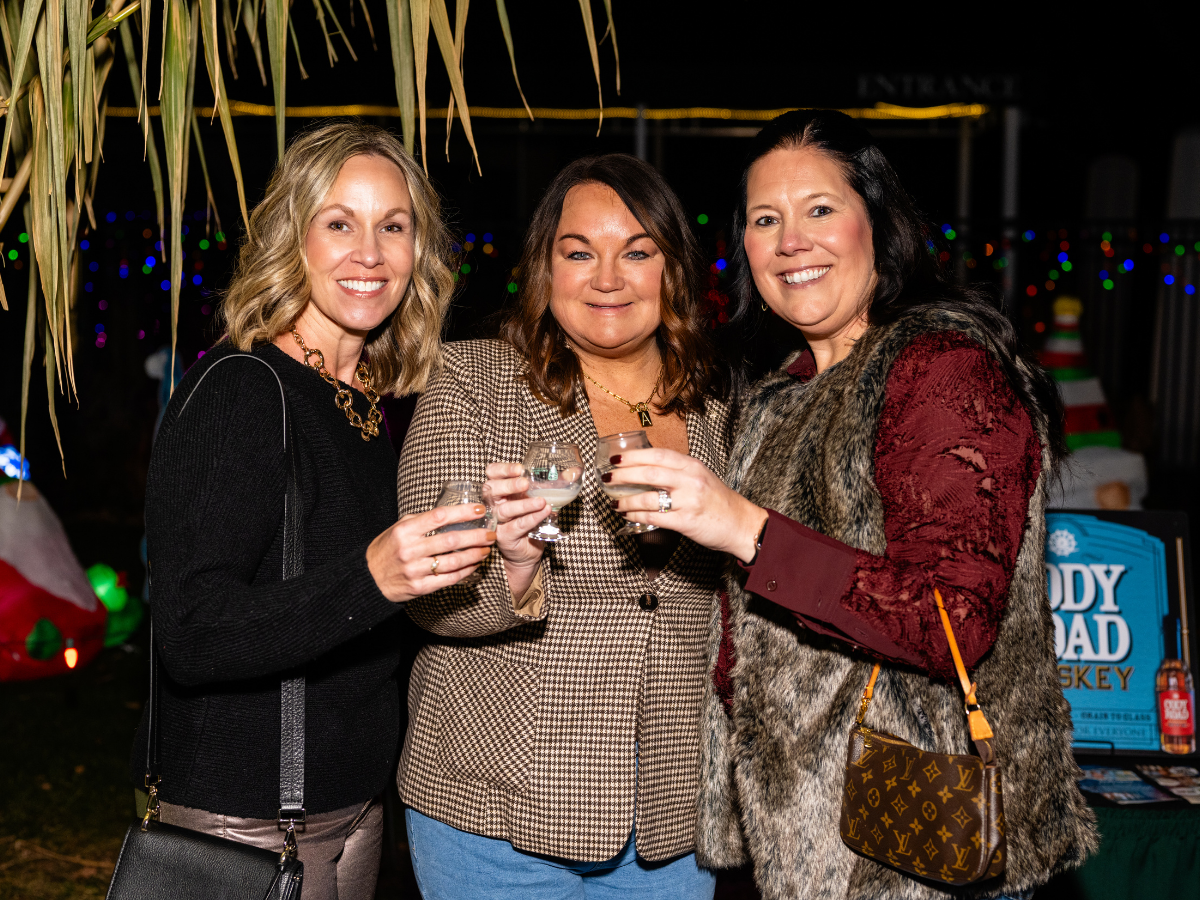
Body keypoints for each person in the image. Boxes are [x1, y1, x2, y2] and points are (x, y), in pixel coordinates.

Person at [602, 110, 1099, 900]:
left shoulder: (941, 369)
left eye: (820, 209)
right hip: (800, 832)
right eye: (766, 220)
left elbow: (952, 618)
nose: (791, 240)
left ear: (880, 225)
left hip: (918, 842)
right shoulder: (778, 392)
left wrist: (744, 528)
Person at [138, 121, 496, 900]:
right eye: (339, 223)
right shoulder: (241, 389)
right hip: (249, 824)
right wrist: (373, 578)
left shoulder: (369, 402)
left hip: (356, 808)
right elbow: (192, 632)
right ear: (291, 239)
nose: (369, 252)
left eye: (392, 227)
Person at [396, 154, 733, 899]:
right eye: (579, 252)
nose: (607, 278)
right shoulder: (473, 380)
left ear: (674, 271)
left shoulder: (724, 410)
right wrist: (513, 566)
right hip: (494, 807)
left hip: (671, 818)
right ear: (544, 271)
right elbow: (424, 596)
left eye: (638, 252)